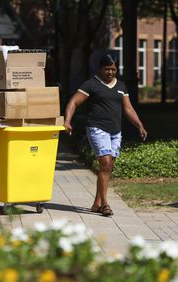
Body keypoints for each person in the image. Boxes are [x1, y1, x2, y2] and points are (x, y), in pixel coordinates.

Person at [64, 53, 147, 217]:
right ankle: (105, 205)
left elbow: (128, 108)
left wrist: (139, 125)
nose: (110, 72)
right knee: (105, 163)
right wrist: (67, 120)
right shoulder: (91, 84)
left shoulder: (121, 86)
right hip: (97, 128)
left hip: (115, 131)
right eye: (107, 69)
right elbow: (74, 101)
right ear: (100, 69)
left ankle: (97, 203)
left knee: (107, 167)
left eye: (113, 69)